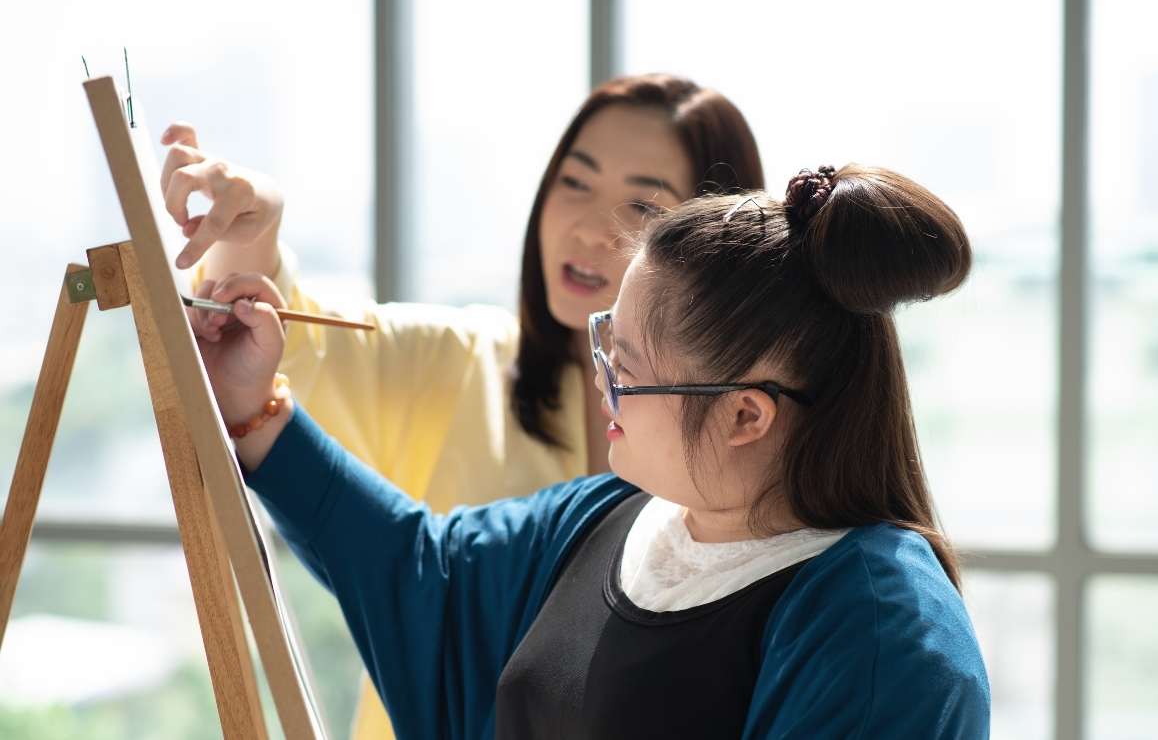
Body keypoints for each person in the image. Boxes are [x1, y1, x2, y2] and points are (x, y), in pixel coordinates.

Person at [192, 163, 991, 739]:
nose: (601, 380)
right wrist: (253, 411)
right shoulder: (611, 518)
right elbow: (418, 571)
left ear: (746, 415)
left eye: (628, 367)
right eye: (608, 338)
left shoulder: (882, 635)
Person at [162, 73, 764, 737]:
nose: (592, 229)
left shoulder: (749, 463)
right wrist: (254, 226)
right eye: (575, 182)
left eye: (644, 209)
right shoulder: (464, 360)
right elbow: (284, 337)